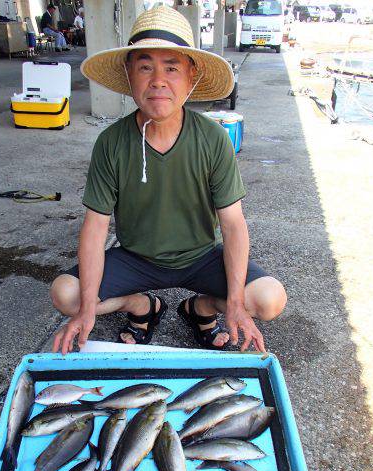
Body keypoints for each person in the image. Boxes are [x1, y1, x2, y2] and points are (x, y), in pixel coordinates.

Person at [51, 6, 287, 354]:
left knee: (269, 300)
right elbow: (96, 226)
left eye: (172, 68)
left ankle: (199, 310)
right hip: (134, 258)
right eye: (145, 67)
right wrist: (87, 310)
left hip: (201, 257)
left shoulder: (212, 138)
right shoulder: (111, 142)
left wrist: (235, 302)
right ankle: (141, 306)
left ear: (191, 78)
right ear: (129, 76)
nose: (158, 80)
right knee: (66, 295)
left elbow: (233, 224)